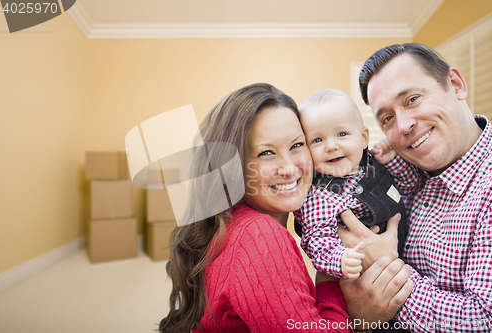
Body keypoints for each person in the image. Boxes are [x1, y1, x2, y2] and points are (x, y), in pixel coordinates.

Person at [157, 83, 413, 332]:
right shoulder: (259, 236)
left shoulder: (231, 222)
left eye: (296, 145)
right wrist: (351, 310)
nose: (290, 168)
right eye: (266, 153)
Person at [339, 43, 492, 332]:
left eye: (412, 99)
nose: (404, 125)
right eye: (387, 118)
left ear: (456, 85)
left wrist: (386, 276)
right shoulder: (402, 175)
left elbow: (488, 320)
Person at [293, 89, 408, 280]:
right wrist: (340, 259)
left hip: (409, 259)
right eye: (317, 140)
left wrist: (392, 160)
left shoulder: (373, 163)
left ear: (364, 138)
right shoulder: (318, 195)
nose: (331, 146)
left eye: (342, 134)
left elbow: (408, 188)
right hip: (365, 276)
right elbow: (317, 241)